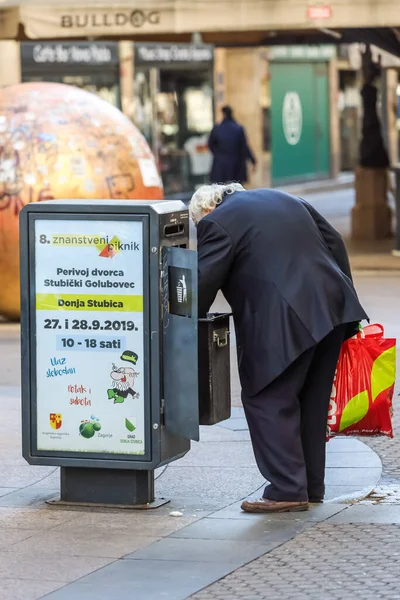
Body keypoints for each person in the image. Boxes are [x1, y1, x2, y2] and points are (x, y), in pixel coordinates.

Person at [190, 183, 368, 514]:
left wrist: (185, 317)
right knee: (312, 400)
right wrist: (345, 298)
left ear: (206, 211)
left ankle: (286, 489)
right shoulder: (285, 198)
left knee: (267, 396)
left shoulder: (216, 222)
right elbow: (335, 242)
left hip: (284, 318)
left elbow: (202, 280)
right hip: (333, 310)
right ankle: (310, 486)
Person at [208, 106, 256, 184]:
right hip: (236, 166)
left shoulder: (217, 128)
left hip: (220, 167)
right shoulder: (238, 128)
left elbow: (210, 145)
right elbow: (244, 147)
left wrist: (218, 155)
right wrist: (253, 160)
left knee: (221, 191)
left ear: (223, 114)